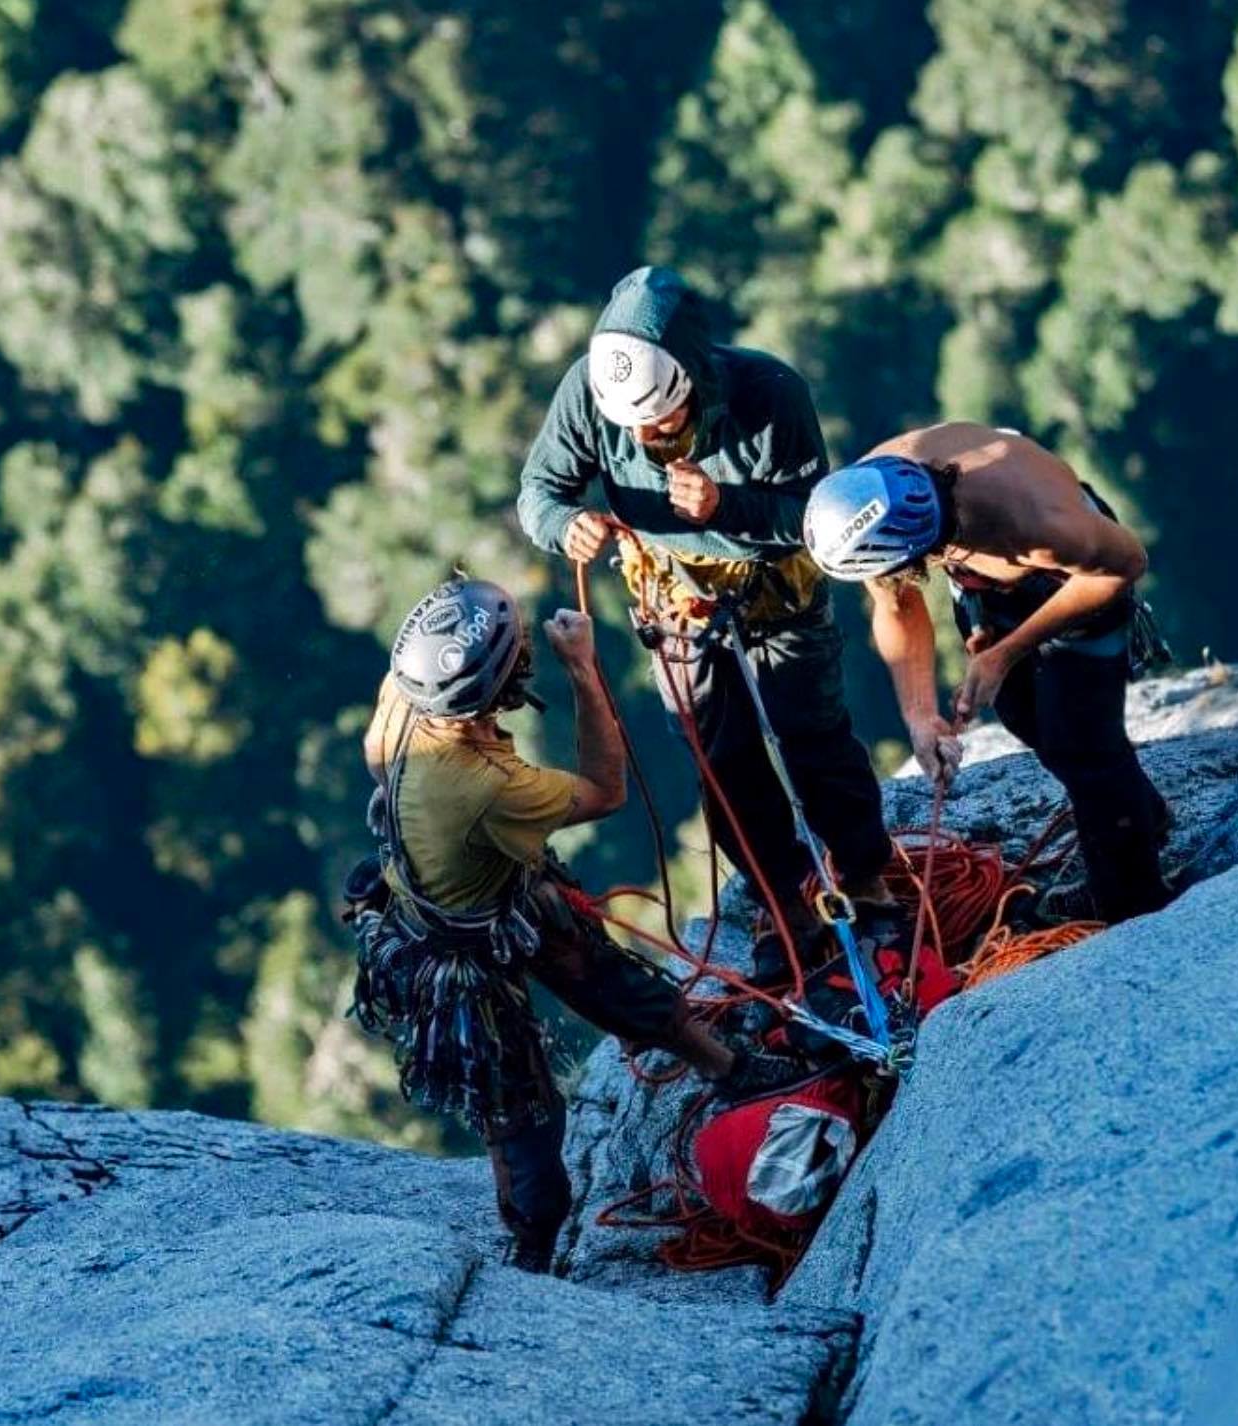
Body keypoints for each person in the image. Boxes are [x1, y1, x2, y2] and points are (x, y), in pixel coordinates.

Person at [349, 578, 803, 1274]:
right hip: (459, 956)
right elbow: (606, 790)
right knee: (525, 1113)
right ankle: (532, 1252)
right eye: (521, 648)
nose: (529, 646)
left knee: (607, 977)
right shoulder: (487, 788)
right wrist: (583, 669)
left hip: (474, 892)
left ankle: (727, 1067)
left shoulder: (401, 699)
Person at [517, 265, 894, 951]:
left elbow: (814, 516)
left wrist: (727, 507)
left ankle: (866, 875)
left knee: (812, 735)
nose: (646, 436)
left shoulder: (770, 395)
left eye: (661, 418)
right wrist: (562, 523)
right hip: (676, 604)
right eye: (632, 424)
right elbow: (540, 490)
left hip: (777, 590)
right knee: (724, 762)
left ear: (692, 377)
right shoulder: (592, 394)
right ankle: (783, 903)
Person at [802, 421, 1174, 923]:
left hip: (1076, 582)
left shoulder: (1036, 519)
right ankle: (1138, 820)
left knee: (1083, 745)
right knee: (1022, 714)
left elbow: (1125, 563)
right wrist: (919, 715)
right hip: (985, 587)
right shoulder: (873, 494)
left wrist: (1004, 654)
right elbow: (895, 603)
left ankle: (1132, 896)